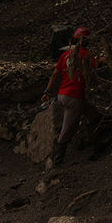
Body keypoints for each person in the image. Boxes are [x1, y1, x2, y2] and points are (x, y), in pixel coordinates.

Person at [43, 26, 103, 164]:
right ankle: (57, 161)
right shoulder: (85, 55)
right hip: (74, 97)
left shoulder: (65, 55)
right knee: (67, 130)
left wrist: (47, 91)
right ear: (86, 41)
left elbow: (55, 74)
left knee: (94, 115)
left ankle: (99, 144)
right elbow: (99, 61)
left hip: (62, 95)